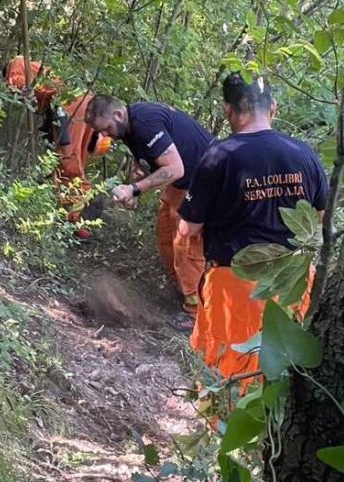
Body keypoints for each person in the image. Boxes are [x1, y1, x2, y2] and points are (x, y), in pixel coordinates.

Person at [177, 72, 328, 379]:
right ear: (272, 106)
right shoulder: (305, 155)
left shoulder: (219, 156)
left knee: (231, 372)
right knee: (285, 373)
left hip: (236, 284)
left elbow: (187, 230)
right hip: (294, 283)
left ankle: (223, 425)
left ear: (227, 109)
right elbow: (319, 220)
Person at [84, 96, 213, 315]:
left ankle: (196, 311)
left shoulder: (145, 123)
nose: (106, 135)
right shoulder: (128, 126)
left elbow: (174, 168)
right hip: (181, 183)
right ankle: (182, 291)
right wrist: (136, 186)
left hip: (203, 180)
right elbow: (144, 159)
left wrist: (134, 189)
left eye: (106, 129)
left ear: (117, 114)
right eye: (101, 132)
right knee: (165, 234)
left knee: (186, 244)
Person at [2, 56, 112, 229]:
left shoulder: (16, 62)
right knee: (69, 161)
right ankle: (73, 214)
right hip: (84, 102)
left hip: (70, 106)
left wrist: (20, 91)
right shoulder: (40, 68)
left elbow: (19, 84)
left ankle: (80, 221)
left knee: (68, 162)